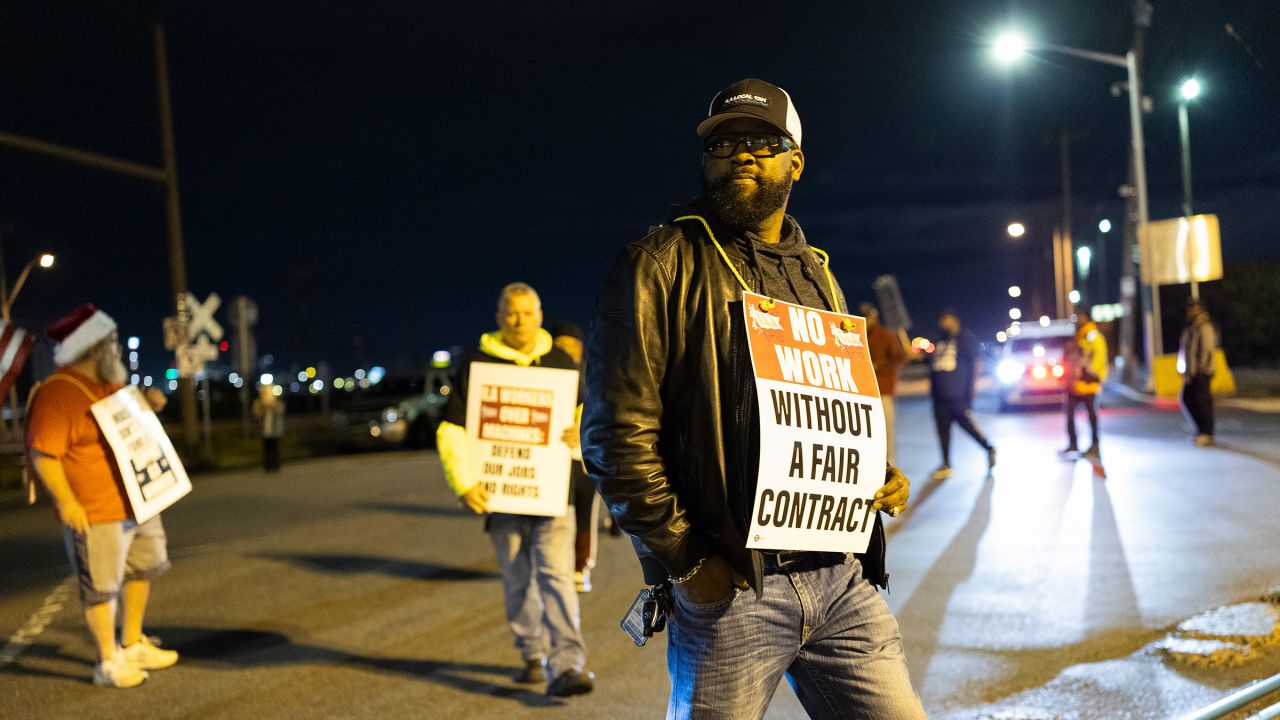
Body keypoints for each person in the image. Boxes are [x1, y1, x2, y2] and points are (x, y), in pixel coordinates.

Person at [583, 78, 924, 719]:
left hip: (842, 580)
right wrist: (687, 563)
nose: (742, 153)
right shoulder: (659, 264)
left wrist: (874, 476)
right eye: (725, 142)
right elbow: (614, 436)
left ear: (795, 159)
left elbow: (827, 409)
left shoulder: (817, 273)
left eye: (762, 142)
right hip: (734, 585)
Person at [435, 283, 594, 697]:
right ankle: (531, 653)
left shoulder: (561, 362)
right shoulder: (476, 365)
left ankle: (567, 665)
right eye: (511, 312)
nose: (519, 320)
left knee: (558, 579)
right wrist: (463, 481)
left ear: (540, 315)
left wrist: (579, 431)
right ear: (498, 316)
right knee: (518, 580)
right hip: (501, 497)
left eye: (527, 312)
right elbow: (452, 429)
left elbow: (585, 416)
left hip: (553, 495)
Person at [25, 304, 179, 688]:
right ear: (93, 348)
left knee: (143, 568)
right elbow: (44, 454)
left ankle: (131, 643)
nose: (118, 348)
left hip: (137, 501)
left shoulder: (108, 385)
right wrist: (67, 501)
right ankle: (107, 661)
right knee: (101, 586)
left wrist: (151, 404)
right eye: (112, 342)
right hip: (96, 510)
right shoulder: (59, 392)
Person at [549, 321, 600, 593]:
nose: (566, 352)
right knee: (560, 514)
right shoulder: (545, 374)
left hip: (585, 457)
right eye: (560, 347)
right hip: (555, 459)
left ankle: (581, 567)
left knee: (585, 512)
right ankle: (559, 565)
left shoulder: (594, 374)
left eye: (572, 346)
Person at [928, 310, 995, 480]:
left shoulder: (965, 339)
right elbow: (928, 362)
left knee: (968, 427)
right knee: (943, 431)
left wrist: (972, 391)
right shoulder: (938, 341)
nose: (945, 325)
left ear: (956, 322)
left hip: (958, 397)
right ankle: (945, 463)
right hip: (939, 397)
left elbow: (975, 363)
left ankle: (989, 448)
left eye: (948, 321)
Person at [860, 302, 908, 465]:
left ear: (874, 316)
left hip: (884, 392)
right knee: (869, 433)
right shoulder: (859, 335)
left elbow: (901, 358)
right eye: (863, 317)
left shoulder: (885, 334)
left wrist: (879, 365)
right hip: (866, 393)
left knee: (886, 432)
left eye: (868, 317)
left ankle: (890, 466)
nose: (866, 320)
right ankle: (873, 465)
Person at [1062, 310, 1108, 458]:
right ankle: (1073, 444)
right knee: (1070, 415)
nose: (1077, 320)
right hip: (1076, 385)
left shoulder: (1092, 335)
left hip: (1088, 384)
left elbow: (1099, 356)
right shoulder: (1080, 335)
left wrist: (1091, 374)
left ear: (1086, 318)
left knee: (1091, 417)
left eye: (1080, 317)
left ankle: (1095, 446)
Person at [1179, 298, 1217, 446]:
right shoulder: (1191, 327)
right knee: (1187, 399)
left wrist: (1202, 369)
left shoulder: (1204, 326)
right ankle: (1200, 430)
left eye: (1193, 308)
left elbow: (1207, 349)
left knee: (1203, 403)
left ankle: (1207, 433)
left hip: (1201, 372)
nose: (1190, 311)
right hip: (1192, 372)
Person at [252, 383, 285, 472]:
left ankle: (275, 465)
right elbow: (256, 413)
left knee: (275, 447)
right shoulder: (259, 402)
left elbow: (281, 411)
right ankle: (267, 465)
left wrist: (273, 406)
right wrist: (262, 408)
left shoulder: (277, 402)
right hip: (264, 430)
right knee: (266, 448)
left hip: (275, 430)